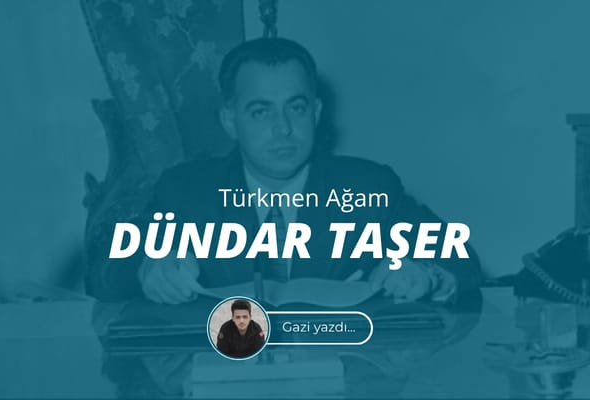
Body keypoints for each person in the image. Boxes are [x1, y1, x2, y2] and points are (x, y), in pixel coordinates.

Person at [90, 37, 482, 303]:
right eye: (260, 112)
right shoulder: (186, 191)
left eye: (295, 108)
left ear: (316, 112)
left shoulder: (369, 186)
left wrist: (428, 274)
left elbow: (461, 257)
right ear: (229, 120)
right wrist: (147, 268)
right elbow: (105, 271)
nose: (283, 129)